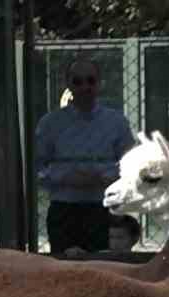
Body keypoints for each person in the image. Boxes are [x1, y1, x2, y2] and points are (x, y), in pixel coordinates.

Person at [34, 57, 136, 255]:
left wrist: (106, 176)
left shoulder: (116, 122)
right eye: (77, 81)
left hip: (104, 207)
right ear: (68, 85)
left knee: (104, 269)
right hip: (64, 209)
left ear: (99, 83)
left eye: (90, 81)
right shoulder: (50, 124)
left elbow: (130, 164)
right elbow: (37, 168)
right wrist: (65, 177)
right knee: (66, 269)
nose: (85, 87)